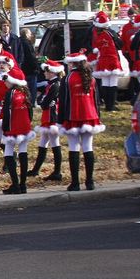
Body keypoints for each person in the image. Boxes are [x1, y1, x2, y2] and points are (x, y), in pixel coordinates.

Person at [59, 50, 105, 191]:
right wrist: (98, 117)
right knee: (88, 147)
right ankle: (90, 181)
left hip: (73, 116)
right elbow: (96, 100)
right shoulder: (91, 78)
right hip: (90, 116)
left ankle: (75, 183)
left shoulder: (68, 79)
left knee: (74, 147)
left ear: (72, 63)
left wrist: (61, 120)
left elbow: (64, 101)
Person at [29, 59, 64, 181]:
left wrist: (43, 101)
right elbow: (40, 101)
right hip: (47, 116)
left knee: (55, 143)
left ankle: (57, 171)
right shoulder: (50, 84)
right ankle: (36, 170)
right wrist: (43, 101)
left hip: (52, 117)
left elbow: (44, 102)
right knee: (43, 144)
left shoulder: (56, 85)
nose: (44, 73)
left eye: (46, 71)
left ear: (52, 72)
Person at [0, 72, 34, 195]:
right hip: (25, 126)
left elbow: (7, 113)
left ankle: (15, 184)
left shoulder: (11, 93)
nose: (4, 82)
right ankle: (23, 184)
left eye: (6, 80)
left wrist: (5, 129)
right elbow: (30, 111)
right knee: (23, 152)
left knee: (8, 153)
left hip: (13, 126)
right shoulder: (25, 92)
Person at [90, 11, 126, 111]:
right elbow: (120, 44)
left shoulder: (97, 34)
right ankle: (112, 105)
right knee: (113, 83)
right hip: (112, 59)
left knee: (105, 83)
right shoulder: (110, 33)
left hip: (102, 60)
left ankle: (107, 105)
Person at [19, 28, 40, 102]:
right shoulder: (27, 43)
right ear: (27, 34)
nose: (31, 35)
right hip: (30, 69)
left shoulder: (17, 42)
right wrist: (36, 67)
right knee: (32, 88)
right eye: (30, 34)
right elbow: (31, 56)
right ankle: (32, 102)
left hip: (21, 69)